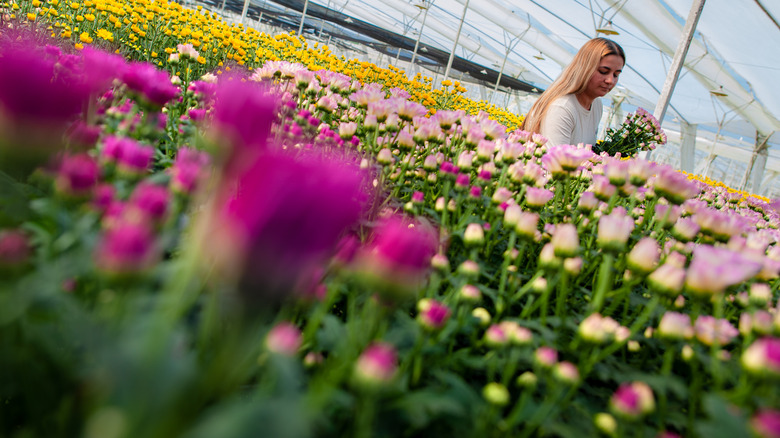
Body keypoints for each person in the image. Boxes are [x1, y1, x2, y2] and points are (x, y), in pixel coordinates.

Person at [521, 38, 625, 147]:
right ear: (585, 68)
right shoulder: (562, 107)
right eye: (603, 71)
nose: (610, 80)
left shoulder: (596, 105)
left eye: (616, 75)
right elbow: (554, 160)